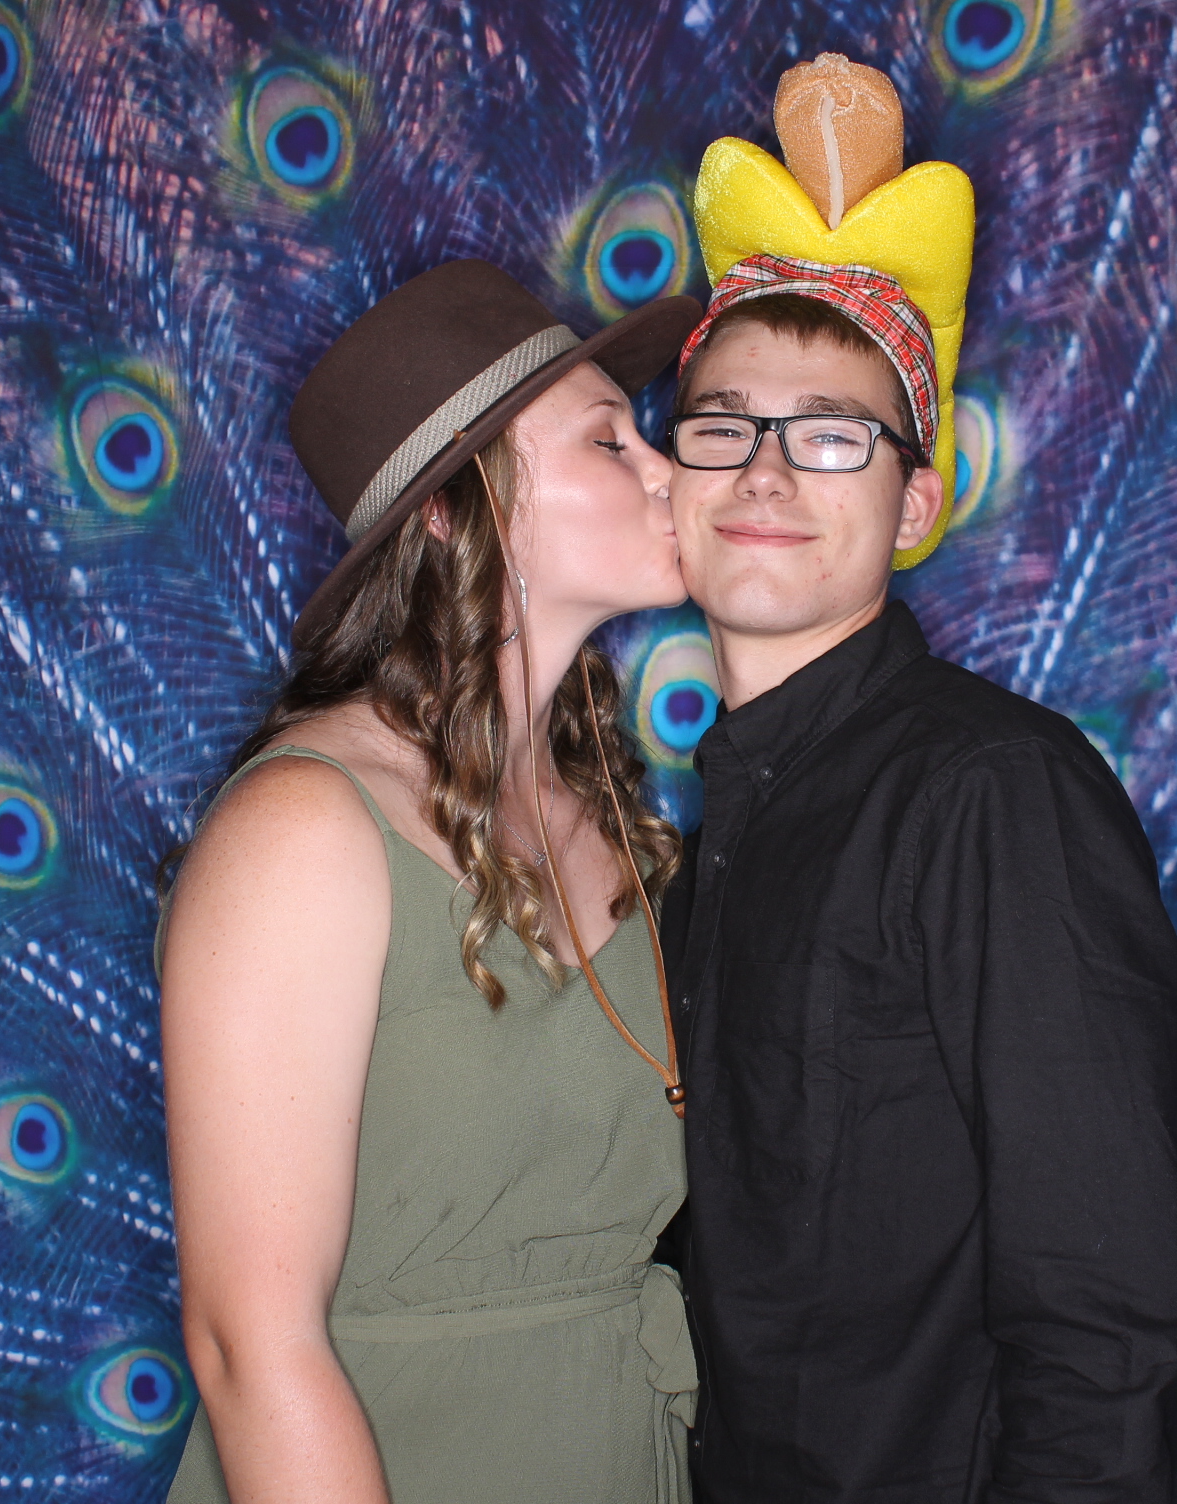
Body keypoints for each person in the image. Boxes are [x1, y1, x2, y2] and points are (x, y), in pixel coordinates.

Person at [662, 59, 1177, 1504]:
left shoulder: (996, 797)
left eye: (834, 436)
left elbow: (1109, 1327)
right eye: (723, 424)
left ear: (916, 502)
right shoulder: (705, 834)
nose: (766, 475)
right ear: (673, 477)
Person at [156, 259, 703, 1504]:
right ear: (460, 510)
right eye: (609, 439)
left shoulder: (614, 812)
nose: (668, 470)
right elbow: (250, 1343)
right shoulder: (303, 831)